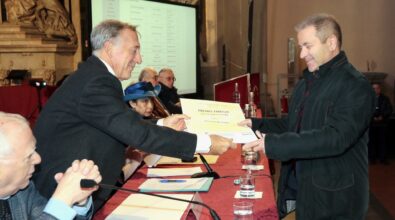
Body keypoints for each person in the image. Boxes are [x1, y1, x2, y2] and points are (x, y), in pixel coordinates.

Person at [32, 19, 235, 210]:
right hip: (62, 194)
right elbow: (134, 133)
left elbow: (121, 124)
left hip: (79, 190)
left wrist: (163, 123)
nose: (139, 59)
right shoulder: (96, 81)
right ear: (110, 47)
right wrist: (205, 143)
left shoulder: (94, 76)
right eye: (134, 50)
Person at [240, 14, 375, 219]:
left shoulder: (355, 85)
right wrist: (255, 123)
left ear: (331, 42)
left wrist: (273, 144)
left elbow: (335, 138)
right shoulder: (307, 82)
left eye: (307, 46)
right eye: (300, 47)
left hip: (333, 199)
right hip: (299, 187)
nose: (302, 54)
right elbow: (293, 124)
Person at [0, 111, 102, 220]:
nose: (38, 159)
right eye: (29, 156)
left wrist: (77, 200)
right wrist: (64, 199)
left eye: (35, 150)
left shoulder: (23, 190)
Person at [369, 83, 393, 165]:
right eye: (374, 88)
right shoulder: (368, 99)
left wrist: (382, 116)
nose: (376, 90)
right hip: (371, 124)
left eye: (377, 88)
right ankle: (372, 159)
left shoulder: (385, 99)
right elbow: (364, 110)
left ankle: (383, 159)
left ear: (380, 89)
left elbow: (389, 109)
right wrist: (373, 118)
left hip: (382, 124)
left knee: (382, 142)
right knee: (371, 142)